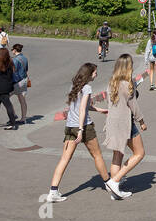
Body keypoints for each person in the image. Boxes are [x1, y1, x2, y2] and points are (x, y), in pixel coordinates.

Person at [46, 63, 122, 202]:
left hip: (69, 127)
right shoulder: (87, 88)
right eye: (94, 72)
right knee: (97, 155)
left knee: (64, 159)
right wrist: (81, 130)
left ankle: (53, 191)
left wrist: (100, 110)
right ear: (89, 73)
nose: (96, 74)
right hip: (84, 127)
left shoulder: (74, 86)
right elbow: (82, 109)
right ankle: (109, 184)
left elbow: (83, 106)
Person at [103, 54, 148, 195]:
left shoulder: (111, 83)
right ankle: (115, 181)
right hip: (125, 123)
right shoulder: (127, 84)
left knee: (118, 154)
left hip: (112, 121)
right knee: (139, 153)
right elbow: (134, 106)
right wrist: (142, 121)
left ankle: (114, 187)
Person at [10, 43, 30, 119]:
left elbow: (13, 72)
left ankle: (13, 114)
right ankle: (23, 118)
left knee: (5, 98)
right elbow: (26, 69)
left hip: (17, 82)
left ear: (15, 50)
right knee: (22, 100)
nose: (12, 51)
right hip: (24, 80)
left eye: (12, 50)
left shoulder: (15, 60)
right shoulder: (25, 58)